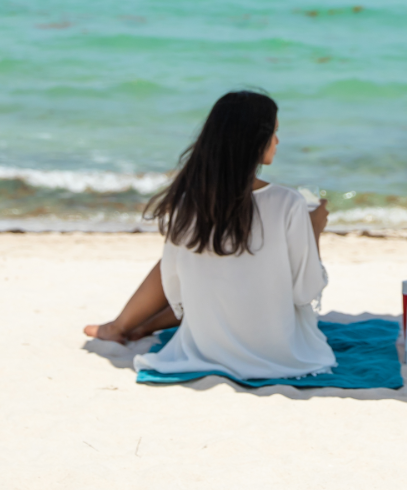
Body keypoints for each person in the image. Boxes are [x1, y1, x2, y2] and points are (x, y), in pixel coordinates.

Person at [83, 90, 337, 380]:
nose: (278, 141)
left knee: (199, 261)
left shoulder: (189, 201)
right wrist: (314, 229)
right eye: (274, 133)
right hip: (282, 354)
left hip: (206, 345)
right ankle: (129, 327)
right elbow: (305, 292)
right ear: (255, 140)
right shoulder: (288, 202)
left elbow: (176, 286)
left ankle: (124, 326)